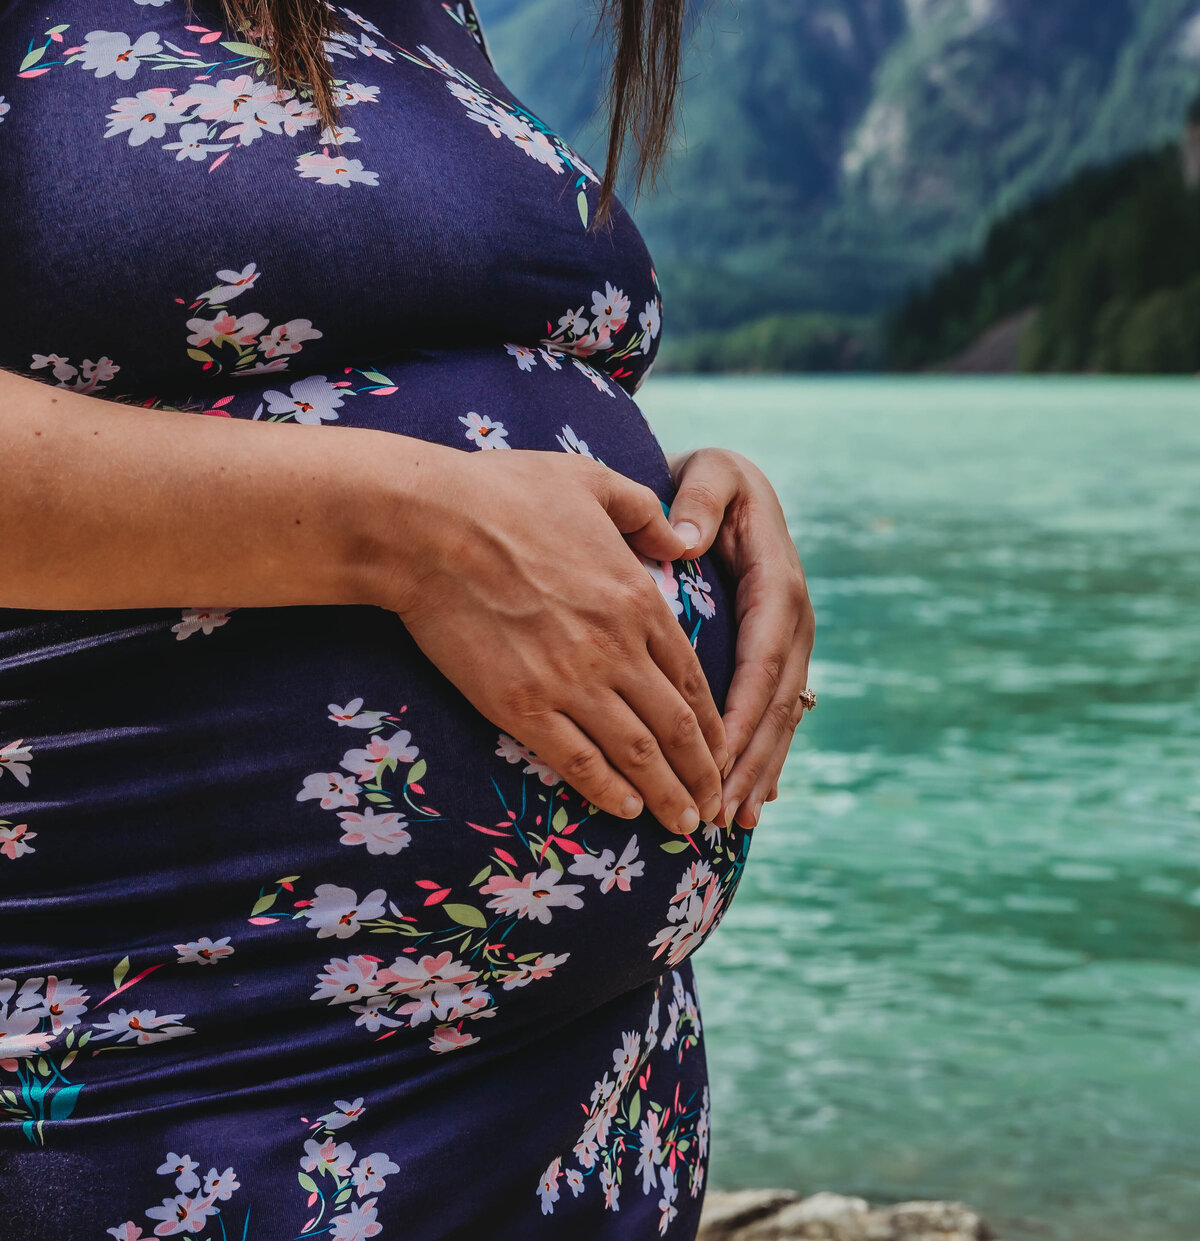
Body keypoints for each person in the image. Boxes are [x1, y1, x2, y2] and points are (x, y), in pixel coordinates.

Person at [0, 1, 814, 1236]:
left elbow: (406, 370)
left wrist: (678, 511)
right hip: (188, 1087)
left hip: (587, 1098)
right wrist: (408, 529)